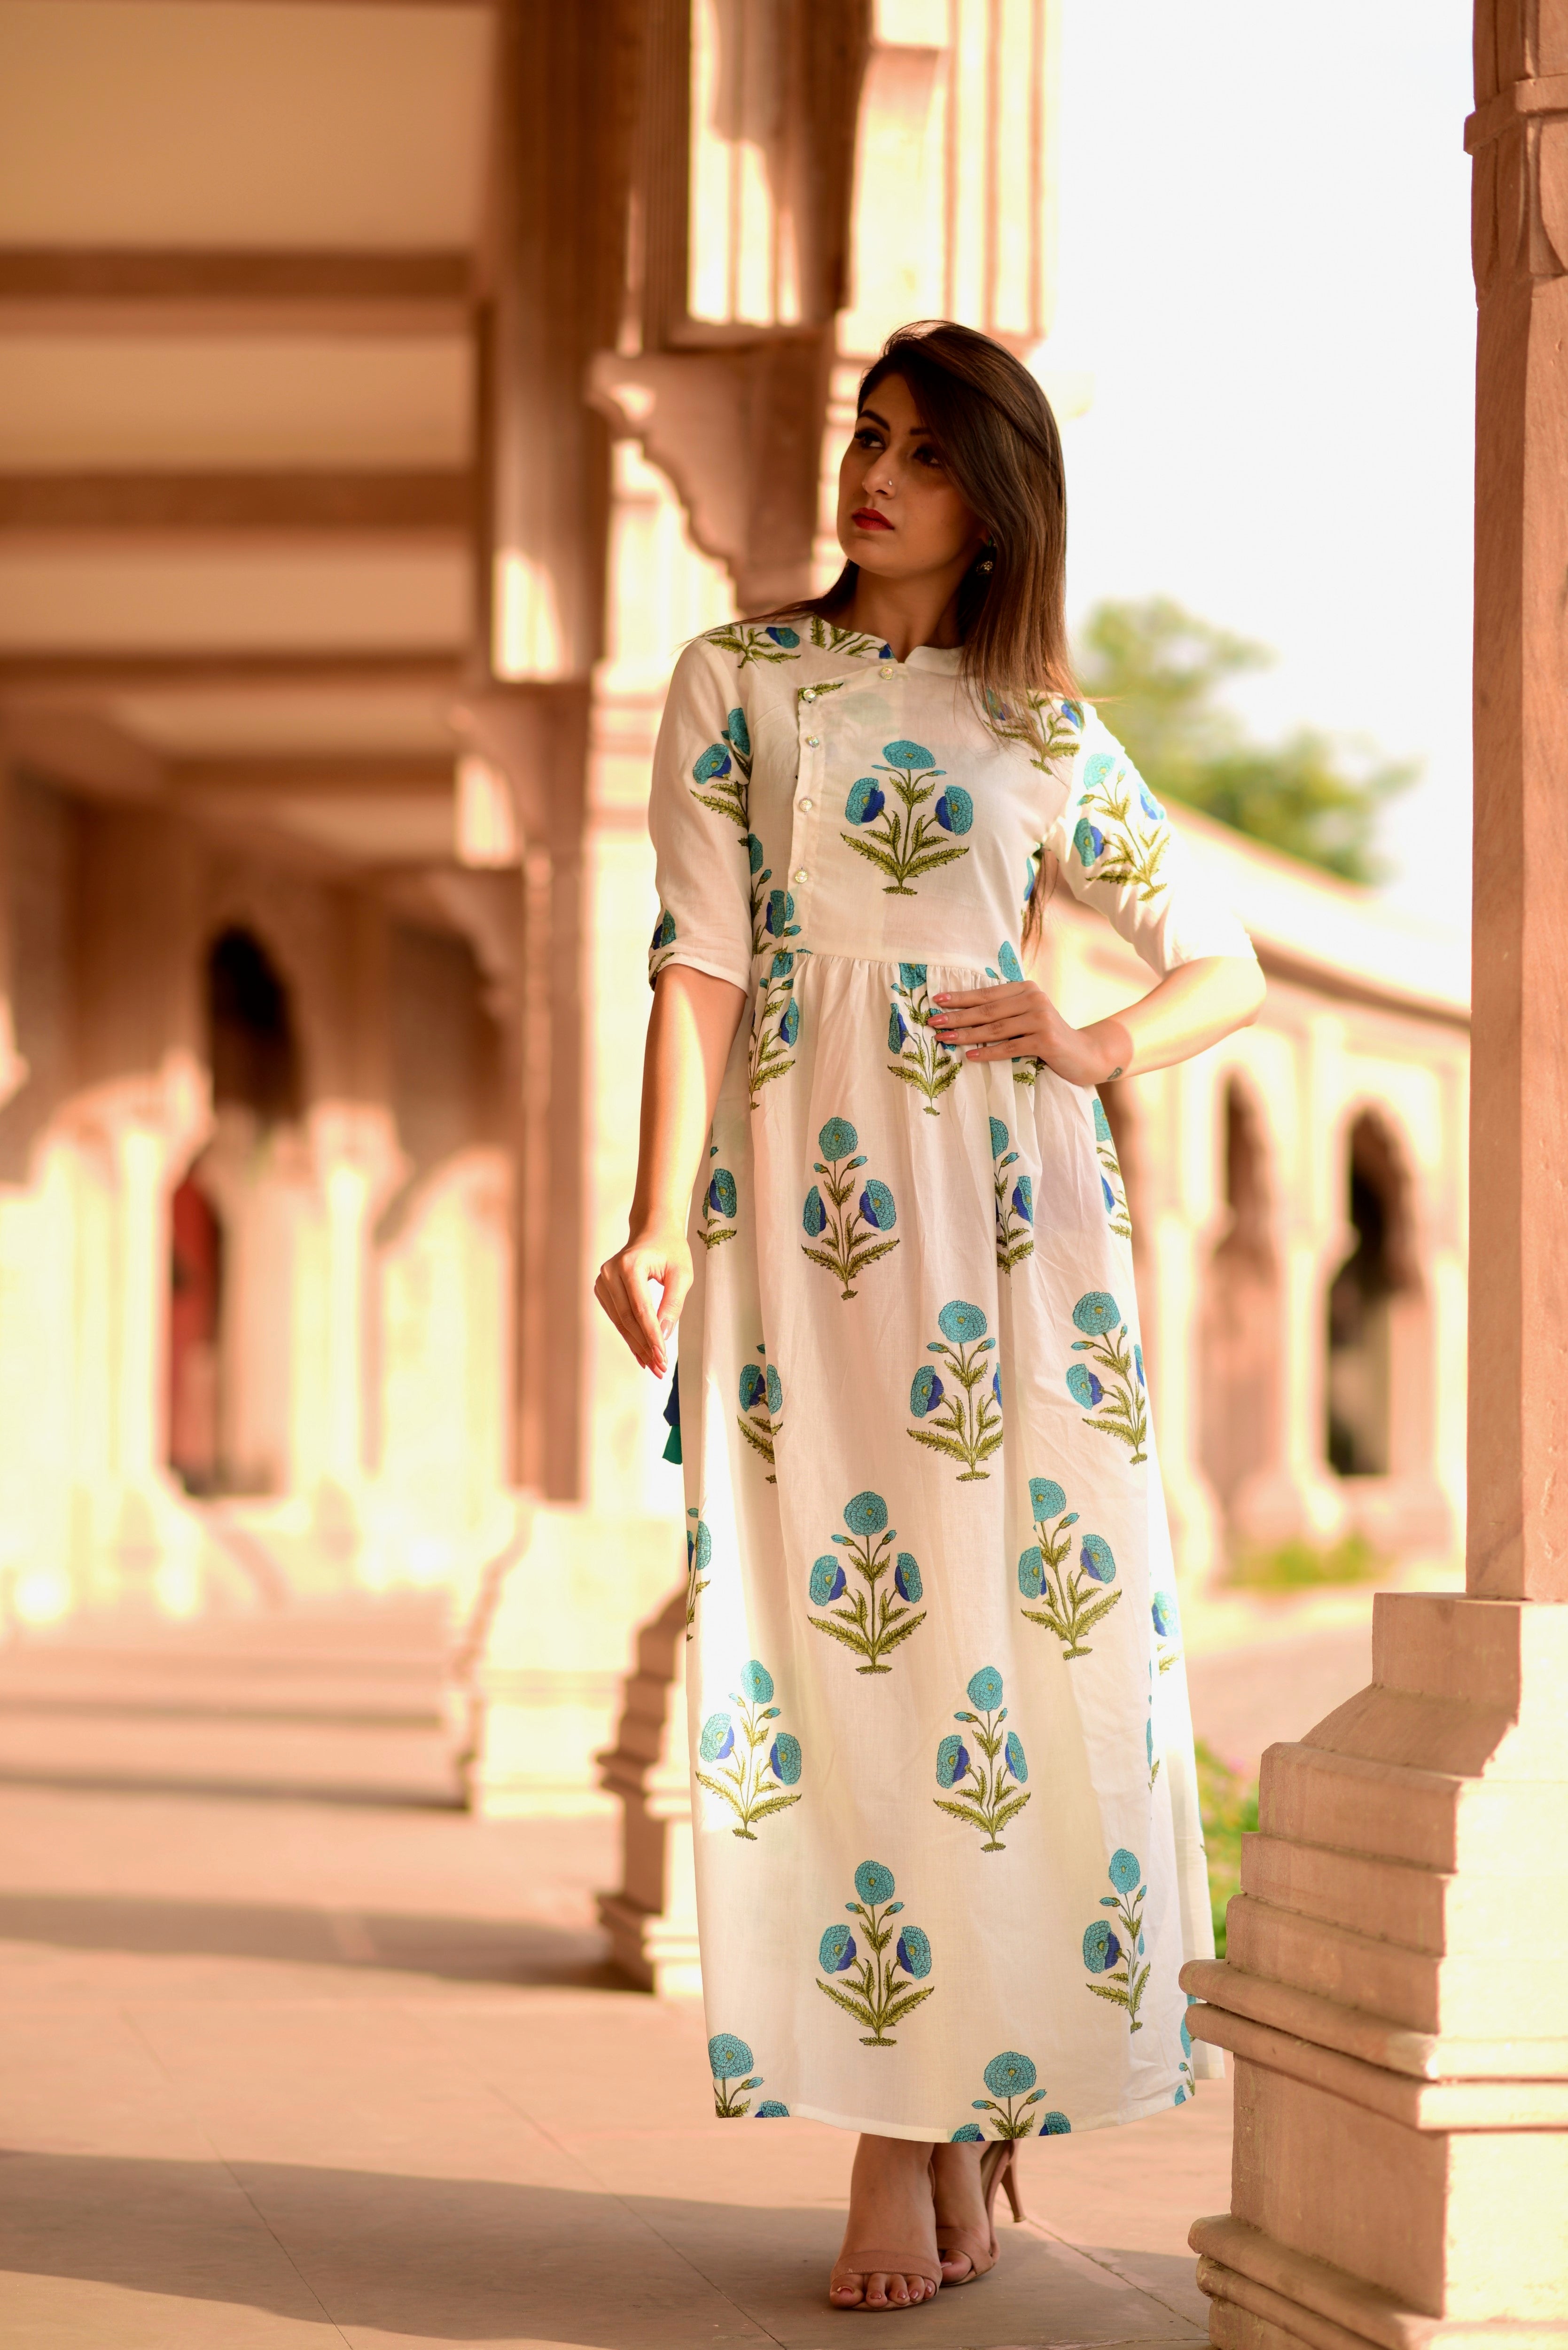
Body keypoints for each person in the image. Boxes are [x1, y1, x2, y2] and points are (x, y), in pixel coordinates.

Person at [596, 319, 1264, 2313]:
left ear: (996, 507)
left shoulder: (1041, 730)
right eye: (866, 437)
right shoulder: (742, 679)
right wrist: (650, 1219)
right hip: (801, 1227)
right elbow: (699, 958)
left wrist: (1090, 1037)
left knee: (998, 1654)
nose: (873, 473)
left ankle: (927, 2128)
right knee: (831, 1660)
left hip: (1017, 1234)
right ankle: (939, 2106)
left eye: (923, 454)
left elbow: (1214, 958)